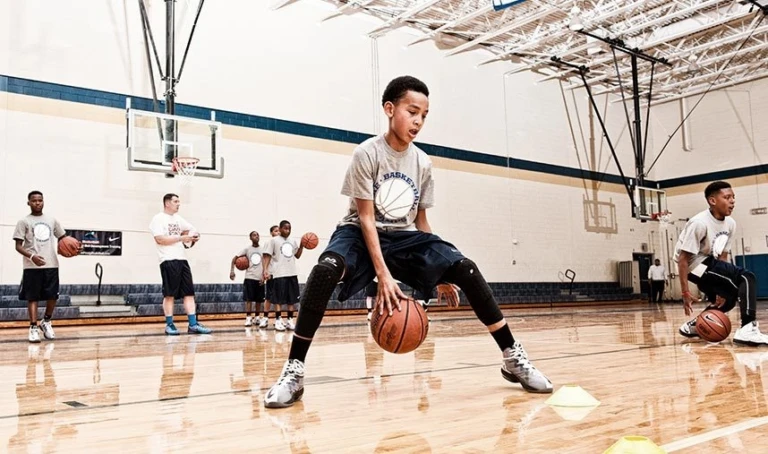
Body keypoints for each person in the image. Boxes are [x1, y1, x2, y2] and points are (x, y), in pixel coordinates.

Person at [264, 75, 552, 409]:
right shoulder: (367, 154)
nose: (418, 121)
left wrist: (441, 271)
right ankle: (295, 370)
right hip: (359, 232)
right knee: (326, 269)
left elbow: (422, 223)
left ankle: (512, 358)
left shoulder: (423, 163)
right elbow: (368, 219)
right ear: (390, 109)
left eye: (424, 115)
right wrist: (383, 276)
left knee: (466, 269)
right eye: (411, 111)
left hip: (404, 238)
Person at [676, 181, 768, 345]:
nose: (732, 201)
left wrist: (720, 286)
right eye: (727, 197)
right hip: (692, 265)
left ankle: (696, 325)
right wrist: (685, 293)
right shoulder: (699, 223)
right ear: (712, 201)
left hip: (709, 262)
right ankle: (748, 328)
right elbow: (683, 259)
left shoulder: (730, 223)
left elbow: (723, 256)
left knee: (729, 298)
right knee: (747, 276)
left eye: (733, 197)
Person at [14, 191, 76, 343]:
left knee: (52, 296)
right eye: (34, 201)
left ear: (43, 202)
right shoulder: (24, 221)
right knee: (32, 297)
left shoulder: (51, 220)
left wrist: (74, 248)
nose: (37, 203)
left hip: (51, 264)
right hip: (31, 266)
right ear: (28, 203)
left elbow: (63, 238)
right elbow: (18, 246)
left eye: (40, 200)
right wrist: (32, 257)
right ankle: (33, 327)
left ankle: (46, 321)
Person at [149, 193, 212, 335]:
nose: (179, 204)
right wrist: (181, 237)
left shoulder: (178, 219)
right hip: (168, 260)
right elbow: (160, 239)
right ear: (167, 203)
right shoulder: (158, 219)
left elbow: (192, 229)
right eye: (176, 201)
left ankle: (193, 324)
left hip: (182, 259)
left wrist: (194, 236)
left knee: (189, 293)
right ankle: (170, 325)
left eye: (179, 201)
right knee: (169, 295)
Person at [262, 220, 304, 331]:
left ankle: (290, 320)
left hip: (292, 273)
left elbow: (298, 255)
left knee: (291, 299)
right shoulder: (273, 241)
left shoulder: (292, 241)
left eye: (289, 228)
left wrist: (302, 245)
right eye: (285, 228)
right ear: (280, 229)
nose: (288, 230)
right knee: (278, 299)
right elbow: (267, 256)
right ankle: (278, 320)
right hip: (279, 273)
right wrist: (265, 270)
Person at [230, 231, 266, 327]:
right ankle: (248, 318)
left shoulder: (263, 249)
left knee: (259, 300)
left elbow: (265, 264)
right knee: (249, 299)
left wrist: (264, 276)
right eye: (254, 235)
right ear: (250, 238)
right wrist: (232, 271)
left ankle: (257, 317)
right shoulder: (247, 249)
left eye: (258, 235)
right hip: (249, 277)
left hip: (259, 278)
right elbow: (234, 259)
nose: (256, 236)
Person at [259, 225, 280, 329]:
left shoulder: (282, 243)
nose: (278, 232)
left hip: (280, 274)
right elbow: (264, 258)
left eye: (279, 231)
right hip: (271, 273)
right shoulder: (269, 242)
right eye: (276, 231)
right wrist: (265, 271)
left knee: (278, 298)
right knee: (268, 298)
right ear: (271, 233)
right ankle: (265, 318)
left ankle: (278, 320)